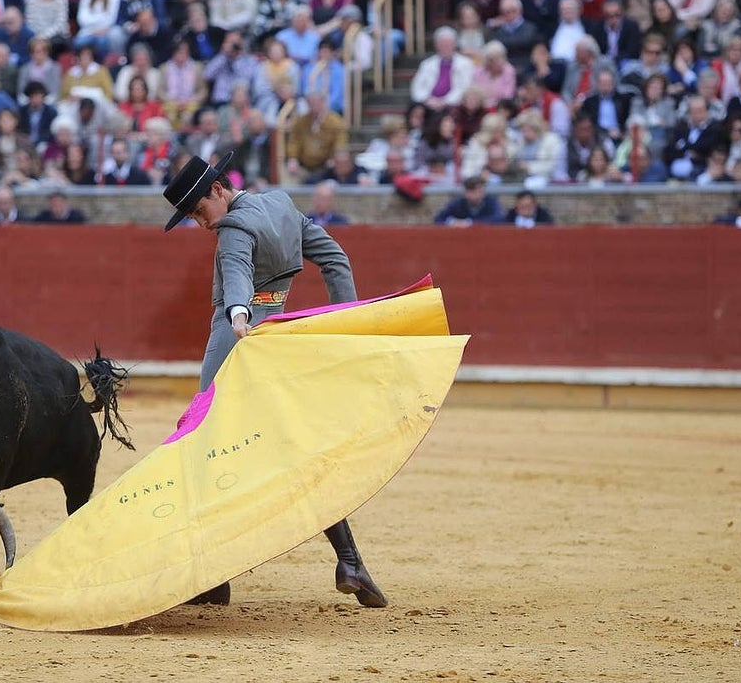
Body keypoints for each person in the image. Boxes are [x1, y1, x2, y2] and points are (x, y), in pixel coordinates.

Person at [161, 153, 387, 610]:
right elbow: (335, 259)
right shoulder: (282, 205)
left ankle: (213, 577)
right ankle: (350, 562)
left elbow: (237, 271)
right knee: (294, 448)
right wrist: (347, 317)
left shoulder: (232, 228)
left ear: (218, 189)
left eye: (200, 211)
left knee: (204, 450)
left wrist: (238, 312)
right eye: (193, 219)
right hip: (276, 345)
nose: (202, 224)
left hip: (235, 345)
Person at [433, 176, 501, 227]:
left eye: (479, 190)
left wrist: (470, 222)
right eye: (472, 190)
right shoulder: (457, 203)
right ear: (465, 192)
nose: (476, 193)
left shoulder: (491, 202)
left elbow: (499, 218)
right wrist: (451, 222)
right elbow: (438, 219)